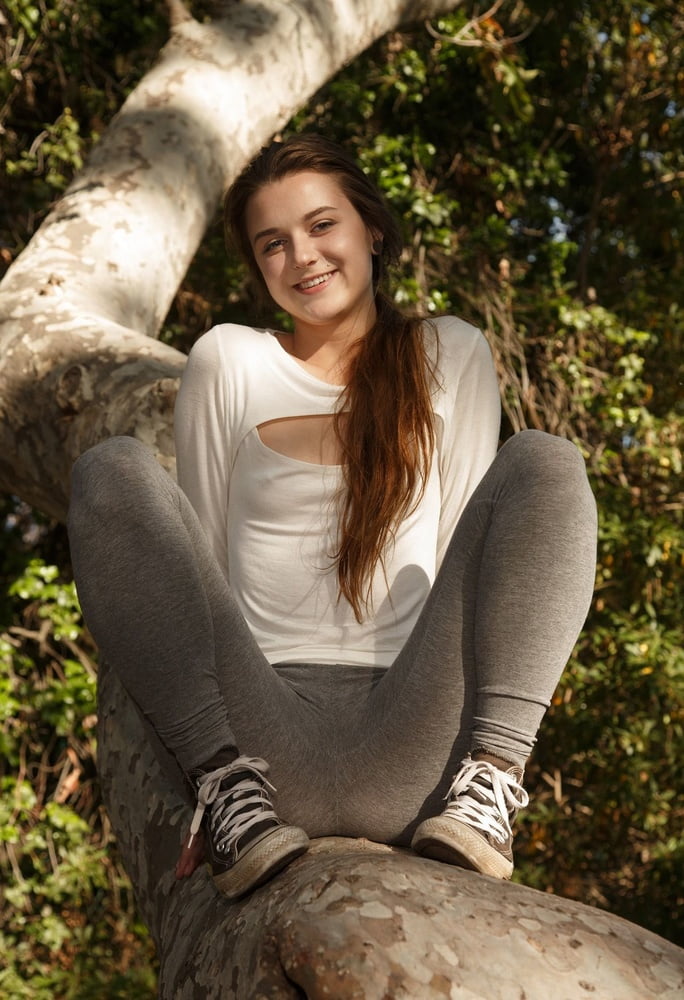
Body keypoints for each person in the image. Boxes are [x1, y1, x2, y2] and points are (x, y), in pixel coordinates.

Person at [67, 134, 597, 902]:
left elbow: (468, 555)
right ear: (258, 267)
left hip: (411, 740)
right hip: (263, 749)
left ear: (371, 229)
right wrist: (200, 760)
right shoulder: (229, 359)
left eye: (322, 225)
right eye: (273, 243)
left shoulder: (450, 352)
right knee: (111, 471)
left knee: (546, 461)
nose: (303, 257)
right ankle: (223, 790)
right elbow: (197, 569)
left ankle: (491, 783)